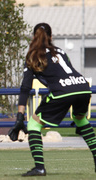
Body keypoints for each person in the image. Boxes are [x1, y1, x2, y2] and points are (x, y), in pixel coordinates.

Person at [8, 23, 96, 176]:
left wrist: (19, 117)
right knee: (80, 119)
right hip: (83, 87)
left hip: (62, 90)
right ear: (51, 37)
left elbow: (25, 88)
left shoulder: (32, 55)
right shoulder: (60, 52)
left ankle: (39, 168)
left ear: (33, 37)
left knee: (34, 124)